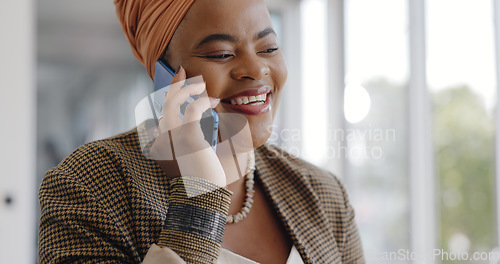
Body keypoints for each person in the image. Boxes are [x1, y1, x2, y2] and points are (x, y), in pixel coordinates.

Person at [38, 0, 365, 263]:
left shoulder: (322, 192)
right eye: (221, 54)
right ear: (164, 75)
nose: (256, 70)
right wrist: (200, 197)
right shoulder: (89, 183)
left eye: (268, 48)